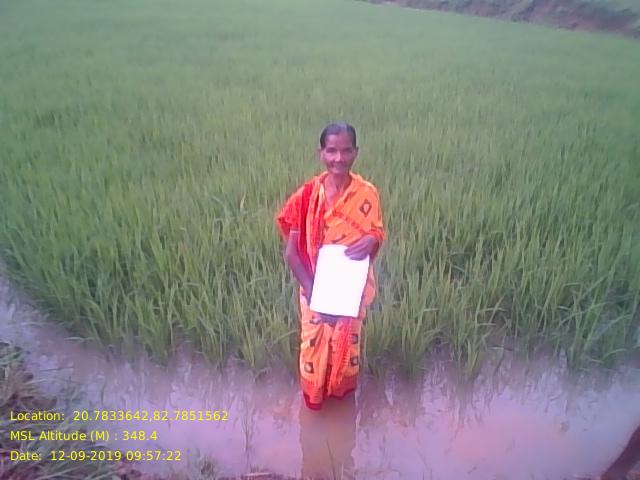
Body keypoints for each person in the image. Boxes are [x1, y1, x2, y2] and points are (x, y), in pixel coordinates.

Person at [276, 122, 385, 411]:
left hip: (350, 295)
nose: (339, 158)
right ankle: (314, 409)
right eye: (332, 151)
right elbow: (291, 253)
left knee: (346, 352)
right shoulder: (307, 196)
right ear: (321, 153)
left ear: (356, 152)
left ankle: (341, 408)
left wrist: (373, 239)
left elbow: (376, 232)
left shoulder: (367, 194)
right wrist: (316, 297)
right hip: (313, 291)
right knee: (313, 352)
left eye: (346, 151)